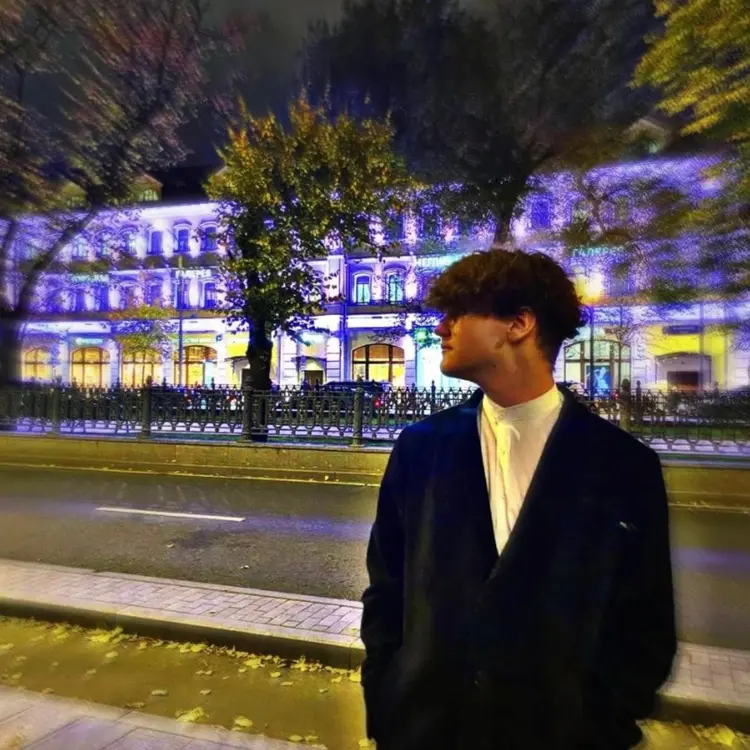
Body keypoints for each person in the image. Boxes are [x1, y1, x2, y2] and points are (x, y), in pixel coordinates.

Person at [360, 249, 676, 750]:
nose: (441, 327)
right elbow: (387, 588)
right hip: (424, 733)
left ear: (519, 324)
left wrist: (602, 725)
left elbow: (645, 622)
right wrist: (386, 700)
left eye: (457, 312)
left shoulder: (623, 466)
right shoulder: (421, 448)